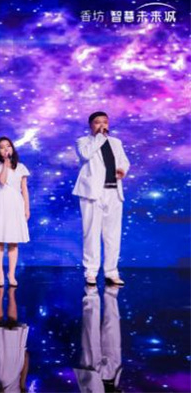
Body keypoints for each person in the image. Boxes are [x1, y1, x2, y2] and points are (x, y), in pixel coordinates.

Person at [73, 112, 130, 286]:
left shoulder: (116, 142)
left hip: (113, 192)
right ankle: (90, 272)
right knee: (91, 233)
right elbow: (85, 155)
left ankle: (111, 272)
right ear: (91, 125)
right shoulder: (83, 141)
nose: (102, 125)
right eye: (97, 122)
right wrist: (99, 137)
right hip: (92, 193)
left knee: (112, 234)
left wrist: (122, 170)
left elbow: (124, 161)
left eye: (105, 122)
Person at [0, 137, 30, 288]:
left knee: (13, 241)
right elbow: (2, 181)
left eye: (8, 146)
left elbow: (24, 189)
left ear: (12, 148)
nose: (6, 149)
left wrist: (27, 208)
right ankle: (0, 274)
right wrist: (5, 163)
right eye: (2, 147)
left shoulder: (21, 167)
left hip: (16, 204)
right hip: (0, 204)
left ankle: (12, 274)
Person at [73, 285, 123, 392]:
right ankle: (111, 290)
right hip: (112, 377)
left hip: (93, 379)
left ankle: (91, 291)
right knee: (112, 329)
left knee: (90, 330)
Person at [0, 286, 30, 393]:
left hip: (4, 370)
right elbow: (26, 359)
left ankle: (2, 292)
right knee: (10, 324)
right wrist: (22, 384)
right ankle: (8, 293)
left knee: (0, 326)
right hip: (12, 367)